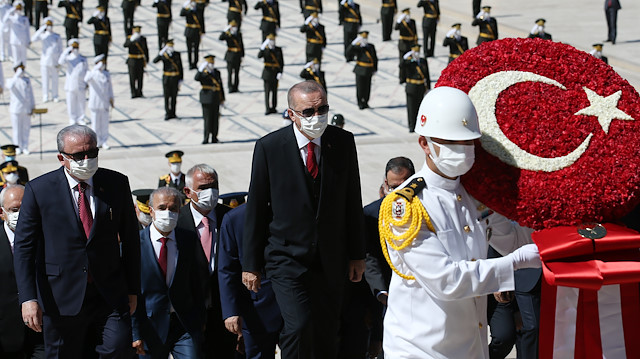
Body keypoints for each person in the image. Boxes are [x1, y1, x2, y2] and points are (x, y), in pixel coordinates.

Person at [380, 87, 541, 358]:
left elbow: (513, 240)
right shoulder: (406, 206)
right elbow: (447, 281)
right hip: (420, 348)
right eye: (451, 143)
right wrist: (514, 263)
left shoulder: (474, 195)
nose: (463, 150)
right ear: (425, 144)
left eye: (468, 142)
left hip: (469, 345)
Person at [242, 80, 366, 359]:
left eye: (322, 109)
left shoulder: (342, 142)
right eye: (308, 112)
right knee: (298, 325)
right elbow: (257, 208)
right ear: (291, 114)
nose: (316, 117)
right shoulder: (269, 148)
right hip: (286, 257)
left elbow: (352, 199)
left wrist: (358, 254)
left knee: (326, 329)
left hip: (330, 256)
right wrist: (251, 264)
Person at [13, 125, 140, 358]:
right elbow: (24, 248)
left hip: (108, 292)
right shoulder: (39, 190)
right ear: (62, 158)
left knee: (117, 349)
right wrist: (28, 298)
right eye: (79, 156)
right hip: (60, 295)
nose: (87, 159)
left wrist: (133, 289)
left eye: (92, 153)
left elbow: (131, 239)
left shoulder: (116, 184)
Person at [131, 187, 205, 359]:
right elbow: (130, 292)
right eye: (162, 208)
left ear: (179, 210)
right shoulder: (135, 245)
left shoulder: (188, 239)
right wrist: (135, 333)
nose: (168, 213)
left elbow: (197, 282)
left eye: (173, 208)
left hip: (183, 325)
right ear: (151, 210)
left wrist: (200, 319)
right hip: (150, 327)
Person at [176, 164, 237, 358]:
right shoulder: (176, 222)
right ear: (188, 191)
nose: (210, 192)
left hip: (225, 313)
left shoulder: (230, 217)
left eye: (214, 186)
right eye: (203, 188)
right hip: (189, 314)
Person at [218, 204, 282, 359]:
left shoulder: (296, 209)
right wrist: (231, 311)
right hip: (255, 310)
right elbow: (227, 269)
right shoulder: (235, 218)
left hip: (294, 306)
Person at [0, 185, 45, 359]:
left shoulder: (47, 239)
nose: (20, 214)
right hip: (5, 338)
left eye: (25, 208)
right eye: (14, 210)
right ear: (2, 212)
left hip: (42, 333)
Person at [84, 54, 114, 150]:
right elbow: (86, 79)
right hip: (95, 103)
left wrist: (111, 99)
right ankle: (96, 142)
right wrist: (95, 69)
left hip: (104, 102)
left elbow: (110, 88)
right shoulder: (92, 73)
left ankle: (104, 141)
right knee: (95, 124)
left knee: (104, 124)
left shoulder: (106, 74)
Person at [195, 54, 225, 144]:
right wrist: (201, 69)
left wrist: (222, 98)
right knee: (207, 119)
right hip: (206, 98)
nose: (211, 65)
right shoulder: (203, 74)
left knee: (215, 119)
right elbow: (196, 78)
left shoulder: (217, 72)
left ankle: (214, 137)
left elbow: (220, 86)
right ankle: (206, 137)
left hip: (215, 98)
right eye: (209, 63)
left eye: (212, 63)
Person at [31, 17, 62, 103]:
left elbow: (60, 49)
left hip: (55, 60)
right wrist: (42, 29)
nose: (49, 27)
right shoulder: (43, 36)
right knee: (45, 79)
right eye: (48, 25)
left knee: (55, 79)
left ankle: (55, 95)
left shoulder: (57, 36)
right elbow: (33, 39)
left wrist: (60, 62)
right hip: (45, 61)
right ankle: (45, 95)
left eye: (50, 25)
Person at [58, 38, 88, 125]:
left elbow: (86, 70)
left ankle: (81, 118)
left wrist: (86, 83)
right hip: (71, 85)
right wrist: (67, 50)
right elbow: (60, 61)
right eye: (74, 47)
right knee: (71, 102)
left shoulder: (83, 59)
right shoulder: (68, 58)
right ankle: (72, 118)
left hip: (81, 84)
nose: (75, 49)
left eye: (76, 47)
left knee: (81, 102)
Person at [7, 63, 34, 156]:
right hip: (16, 109)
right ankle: (17, 147)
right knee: (17, 129)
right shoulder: (12, 80)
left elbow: (31, 94)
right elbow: (10, 86)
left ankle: (25, 146)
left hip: (26, 109)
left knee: (26, 129)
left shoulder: (27, 80)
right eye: (20, 69)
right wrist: (16, 75)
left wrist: (32, 106)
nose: (22, 72)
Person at [153, 39, 183, 120]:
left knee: (174, 96)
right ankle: (167, 112)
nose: (171, 47)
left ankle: (173, 112)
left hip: (175, 78)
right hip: (167, 77)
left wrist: (181, 79)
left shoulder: (177, 54)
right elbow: (155, 61)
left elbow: (180, 67)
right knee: (167, 96)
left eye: (172, 46)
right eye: (169, 46)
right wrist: (161, 52)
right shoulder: (164, 55)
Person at [402, 43, 430, 133]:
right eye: (415, 52)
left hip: (421, 87)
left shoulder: (423, 61)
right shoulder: (409, 62)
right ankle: (411, 126)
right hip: (411, 87)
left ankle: (419, 125)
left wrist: (428, 87)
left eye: (418, 52)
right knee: (411, 108)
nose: (417, 53)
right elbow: (401, 65)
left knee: (419, 107)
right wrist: (407, 56)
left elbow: (427, 75)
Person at [346, 30, 377, 109]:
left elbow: (375, 58)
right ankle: (360, 102)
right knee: (360, 87)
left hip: (369, 69)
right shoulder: (357, 47)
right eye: (363, 38)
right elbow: (348, 52)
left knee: (367, 87)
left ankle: (366, 101)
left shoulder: (371, 46)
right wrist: (354, 43)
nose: (365, 40)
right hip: (360, 69)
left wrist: (375, 68)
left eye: (366, 38)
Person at [258, 33, 283, 115]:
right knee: (267, 92)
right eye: (270, 41)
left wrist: (280, 72)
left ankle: (274, 107)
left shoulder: (278, 49)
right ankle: (267, 108)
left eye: (273, 40)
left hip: (275, 72)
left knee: (274, 91)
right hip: (267, 73)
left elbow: (281, 62)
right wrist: (263, 47)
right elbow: (259, 56)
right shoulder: (265, 50)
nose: (272, 42)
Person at [123, 25, 149, 98]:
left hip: (140, 60)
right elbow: (125, 45)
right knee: (132, 77)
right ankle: (133, 92)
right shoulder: (130, 38)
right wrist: (132, 40)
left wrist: (146, 59)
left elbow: (146, 50)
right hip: (132, 60)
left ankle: (139, 91)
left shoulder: (143, 39)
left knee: (140, 77)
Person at [219, 20, 244, 93]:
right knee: (230, 73)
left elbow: (241, 45)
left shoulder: (239, 34)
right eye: (233, 27)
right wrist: (225, 30)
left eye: (235, 26)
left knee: (237, 73)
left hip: (238, 55)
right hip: (230, 55)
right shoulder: (228, 35)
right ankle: (230, 87)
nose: (234, 28)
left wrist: (242, 55)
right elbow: (220, 38)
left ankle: (236, 87)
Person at [4, 1, 30, 67]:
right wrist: (11, 10)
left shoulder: (25, 19)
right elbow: (5, 20)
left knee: (23, 59)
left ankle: (22, 73)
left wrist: (28, 40)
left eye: (20, 8)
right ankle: (17, 74)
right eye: (17, 8)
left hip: (23, 41)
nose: (19, 10)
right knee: (16, 59)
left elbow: (27, 31)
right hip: (14, 41)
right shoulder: (12, 18)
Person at [394, 8, 417, 82]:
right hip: (403, 44)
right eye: (406, 14)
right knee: (403, 60)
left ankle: (408, 76)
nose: (408, 16)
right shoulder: (401, 23)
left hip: (411, 44)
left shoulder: (412, 22)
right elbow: (396, 28)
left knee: (411, 61)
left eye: (408, 14)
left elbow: (415, 33)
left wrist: (415, 42)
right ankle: (402, 77)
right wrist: (399, 20)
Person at [180, 0, 201, 70]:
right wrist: (185, 7)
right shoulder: (187, 10)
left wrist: (203, 31)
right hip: (189, 31)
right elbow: (181, 14)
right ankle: (190, 63)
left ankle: (195, 63)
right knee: (189, 49)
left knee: (196, 49)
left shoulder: (198, 9)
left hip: (196, 31)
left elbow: (201, 20)